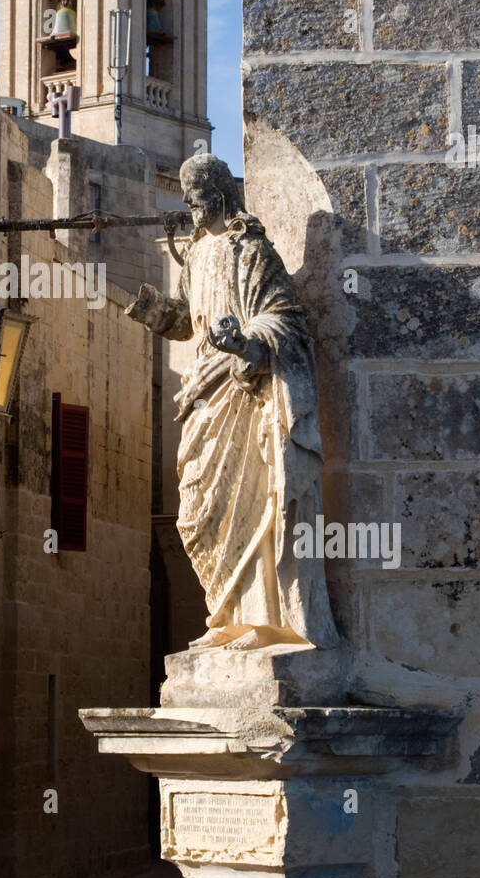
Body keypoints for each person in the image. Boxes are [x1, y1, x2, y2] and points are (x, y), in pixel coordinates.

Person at [127, 153, 338, 651]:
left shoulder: (252, 252)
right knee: (200, 511)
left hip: (244, 395)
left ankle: (263, 622)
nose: (189, 206)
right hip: (204, 393)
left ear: (219, 195)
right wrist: (155, 312)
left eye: (195, 196)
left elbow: (285, 319)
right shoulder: (198, 254)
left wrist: (244, 342)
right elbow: (189, 322)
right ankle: (224, 617)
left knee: (253, 501)